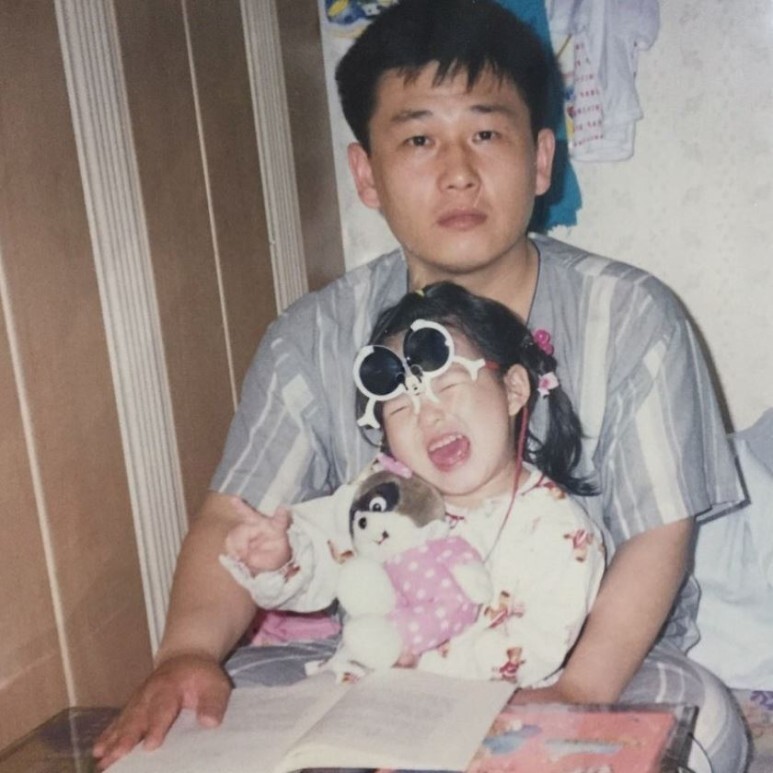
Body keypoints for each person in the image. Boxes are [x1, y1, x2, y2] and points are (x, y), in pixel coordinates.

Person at [93, 1, 749, 771]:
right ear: (365, 174)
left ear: (541, 159)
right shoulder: (310, 337)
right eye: (417, 139)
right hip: (386, 665)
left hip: (602, 659)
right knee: (203, 725)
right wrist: (186, 650)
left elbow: (657, 535)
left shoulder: (633, 316)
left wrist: (574, 692)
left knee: (700, 725)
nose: (457, 171)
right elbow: (234, 516)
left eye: (485, 133)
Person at [220, 282, 605, 685]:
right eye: (402, 408)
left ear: (513, 390)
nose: (428, 416)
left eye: (448, 387)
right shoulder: (386, 493)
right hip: (360, 699)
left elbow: (533, 648)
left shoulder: (559, 529)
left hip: (482, 705)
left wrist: (412, 660)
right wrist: (281, 557)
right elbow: (321, 549)